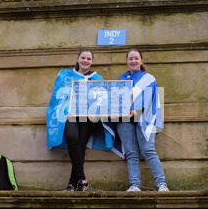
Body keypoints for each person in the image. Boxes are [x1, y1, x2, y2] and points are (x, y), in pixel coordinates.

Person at [46, 49, 113, 191]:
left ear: (92, 62)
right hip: (69, 115)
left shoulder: (97, 78)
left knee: (80, 147)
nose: (85, 61)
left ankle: (72, 184)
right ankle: (82, 178)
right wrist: (65, 108)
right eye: (83, 57)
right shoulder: (65, 75)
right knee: (72, 138)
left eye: (89, 59)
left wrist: (97, 113)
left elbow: (103, 101)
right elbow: (58, 96)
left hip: (88, 119)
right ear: (78, 59)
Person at [115, 49, 169, 192]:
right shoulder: (121, 80)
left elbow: (150, 98)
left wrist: (135, 108)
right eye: (130, 59)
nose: (133, 61)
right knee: (131, 152)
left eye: (136, 58)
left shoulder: (149, 78)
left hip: (144, 116)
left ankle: (162, 184)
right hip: (124, 119)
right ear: (127, 61)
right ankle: (135, 185)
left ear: (141, 60)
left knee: (148, 150)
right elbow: (115, 100)